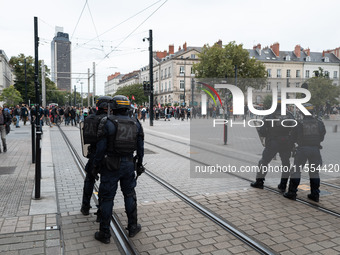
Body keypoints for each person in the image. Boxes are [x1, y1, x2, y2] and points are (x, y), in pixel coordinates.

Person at [94, 95, 144, 244]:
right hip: (129, 164)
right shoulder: (136, 123)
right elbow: (140, 148)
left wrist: (96, 165)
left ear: (113, 107)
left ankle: (105, 233)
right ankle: (133, 226)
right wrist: (139, 164)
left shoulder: (107, 122)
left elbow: (100, 149)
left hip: (110, 165)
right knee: (129, 194)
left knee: (107, 197)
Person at [283, 104, 326, 202]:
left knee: (296, 171)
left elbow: (292, 138)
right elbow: (322, 136)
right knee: (314, 172)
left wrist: (290, 147)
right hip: (315, 149)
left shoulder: (299, 123)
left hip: (302, 150)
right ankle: (315, 195)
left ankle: (292, 193)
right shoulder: (319, 122)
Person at [250, 101, 295, 191]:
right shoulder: (290, 115)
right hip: (286, 142)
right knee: (286, 163)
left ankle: (260, 182)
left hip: (273, 142)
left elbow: (262, 130)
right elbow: (295, 129)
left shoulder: (269, 115)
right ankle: (283, 185)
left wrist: (269, 134)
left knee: (264, 162)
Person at [80, 96, 113, 217]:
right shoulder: (108, 120)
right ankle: (101, 209)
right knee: (105, 183)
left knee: (89, 180)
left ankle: (85, 206)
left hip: (92, 153)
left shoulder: (89, 119)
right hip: (106, 156)